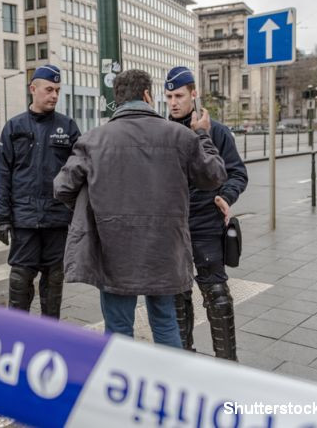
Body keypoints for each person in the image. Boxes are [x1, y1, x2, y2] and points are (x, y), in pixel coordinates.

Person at [54, 69, 227, 347]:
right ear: (147, 95)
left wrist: (96, 204)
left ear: (117, 98)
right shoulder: (179, 136)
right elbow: (214, 175)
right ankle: (168, 385)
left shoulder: (93, 140)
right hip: (164, 251)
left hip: (113, 251)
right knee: (165, 323)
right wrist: (204, 135)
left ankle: (122, 386)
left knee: (119, 328)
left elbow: (62, 188)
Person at [165, 66, 248, 361]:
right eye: (169, 97)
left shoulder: (218, 132)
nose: (173, 103)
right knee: (177, 295)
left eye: (179, 96)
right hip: (172, 227)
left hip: (205, 225)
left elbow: (237, 173)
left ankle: (227, 362)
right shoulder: (163, 132)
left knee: (217, 293)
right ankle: (184, 358)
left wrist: (226, 197)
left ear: (194, 94)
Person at [0, 64, 80, 319]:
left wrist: (76, 215)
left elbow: (80, 173)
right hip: (25, 221)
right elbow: (3, 176)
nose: (54, 95)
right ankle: (18, 330)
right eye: (49, 89)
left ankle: (50, 333)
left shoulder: (68, 127)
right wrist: (2, 218)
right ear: (33, 89)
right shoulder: (14, 127)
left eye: (57, 90)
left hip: (57, 220)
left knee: (54, 281)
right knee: (20, 280)